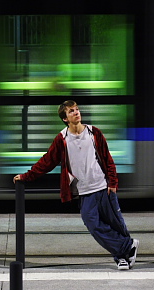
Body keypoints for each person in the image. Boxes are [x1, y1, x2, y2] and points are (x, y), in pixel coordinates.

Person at [13, 100, 139, 270]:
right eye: (71, 111)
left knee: (116, 224)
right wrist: (27, 176)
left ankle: (121, 258)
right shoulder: (62, 139)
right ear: (65, 119)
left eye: (77, 109)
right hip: (84, 192)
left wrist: (113, 183)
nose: (76, 112)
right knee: (93, 224)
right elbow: (47, 162)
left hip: (103, 187)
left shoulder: (94, 133)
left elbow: (108, 159)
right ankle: (127, 246)